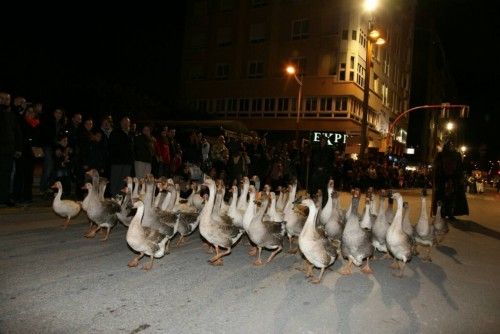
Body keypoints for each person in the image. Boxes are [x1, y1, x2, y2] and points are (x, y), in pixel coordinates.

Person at [431, 139, 469, 220]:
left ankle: (450, 213)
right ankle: (442, 213)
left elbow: (459, 167)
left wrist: (459, 178)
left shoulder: (457, 155)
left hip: (453, 180)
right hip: (442, 179)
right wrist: (436, 179)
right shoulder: (440, 155)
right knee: (442, 197)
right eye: (449, 144)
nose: (450, 146)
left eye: (452, 144)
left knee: (452, 198)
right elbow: (436, 167)